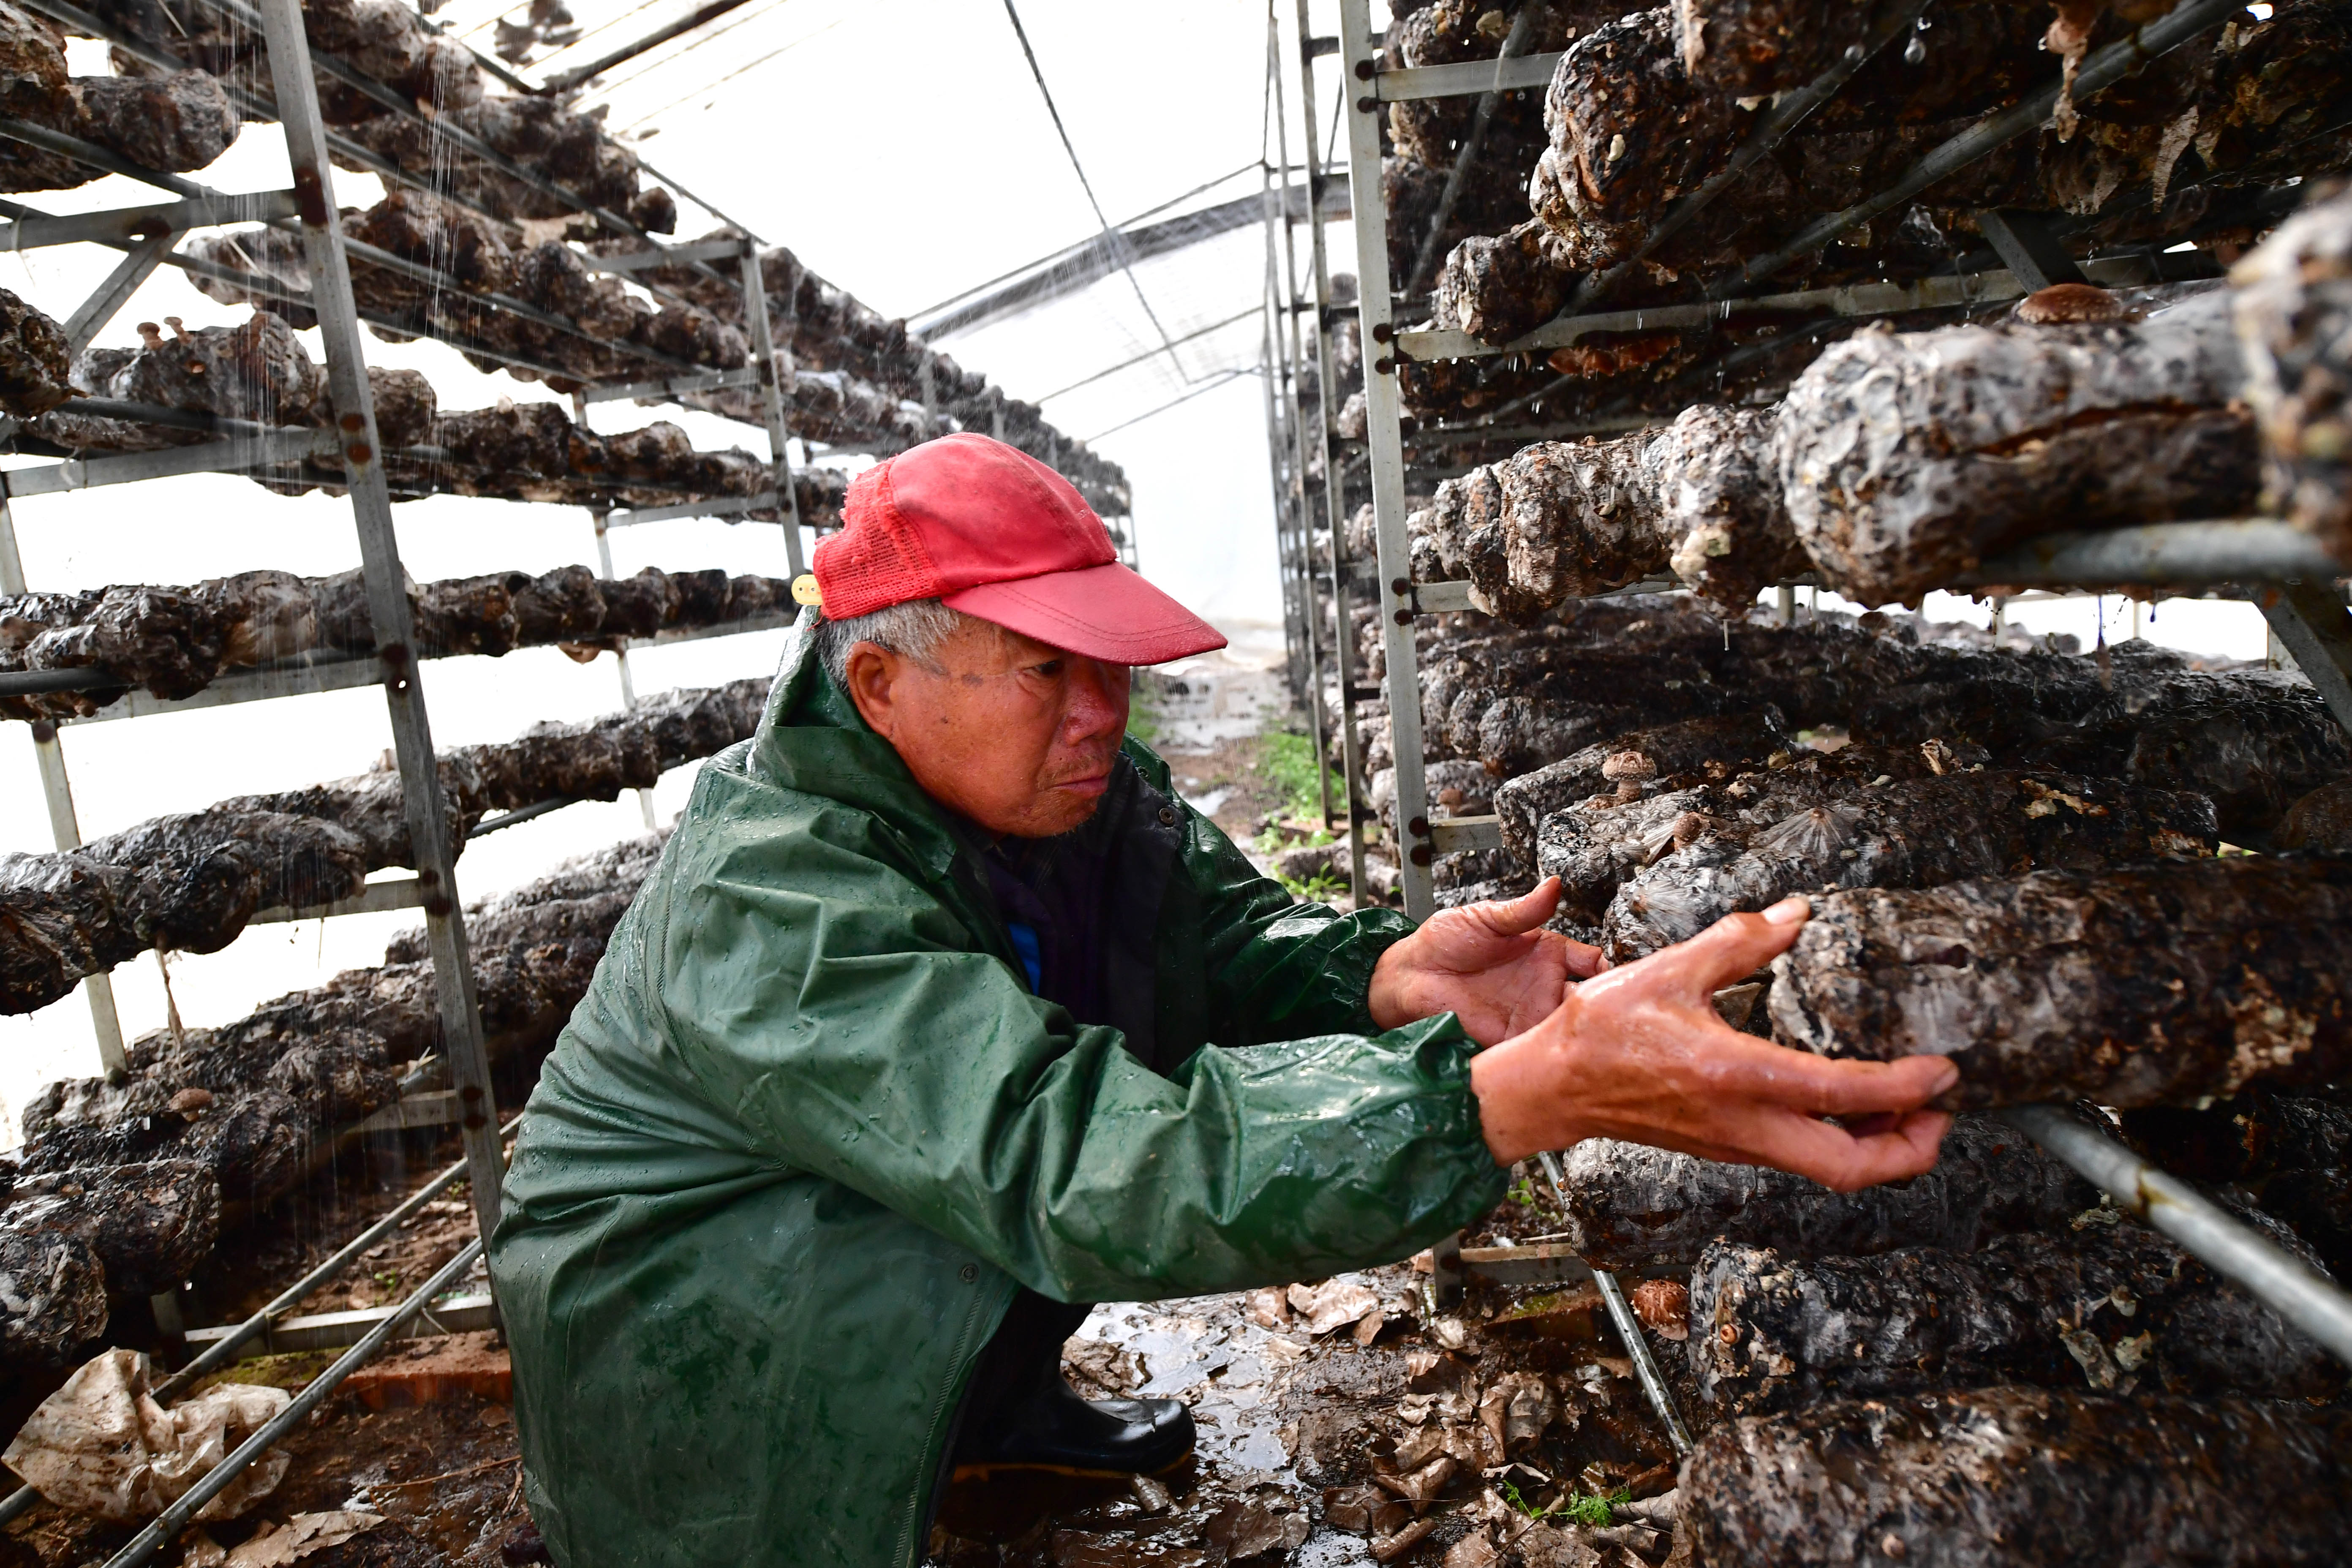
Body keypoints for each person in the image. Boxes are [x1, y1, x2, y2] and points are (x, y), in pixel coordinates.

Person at [487, 434, 1956, 1568]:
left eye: (1110, 668)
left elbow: (1215, 935)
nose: (1102, 716)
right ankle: (764, 1505)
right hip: (694, 1324)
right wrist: (1510, 1097)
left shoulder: (1065, 791)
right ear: (879, 685)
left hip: (854, 1233)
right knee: (1022, 1158)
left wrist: (1383, 976)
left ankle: (986, 1419)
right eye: (1046, 672)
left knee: (1060, 1064)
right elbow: (1067, 1161)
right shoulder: (776, 896)